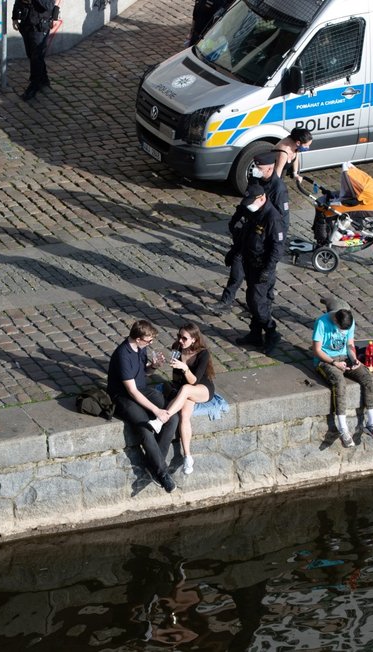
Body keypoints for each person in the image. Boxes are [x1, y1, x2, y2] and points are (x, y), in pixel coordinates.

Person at [210, 152, 290, 316]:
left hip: (264, 239)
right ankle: (226, 302)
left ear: (269, 169)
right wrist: (235, 221)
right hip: (248, 234)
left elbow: (282, 220)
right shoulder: (255, 179)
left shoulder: (278, 189)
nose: (255, 170)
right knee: (237, 268)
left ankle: (264, 306)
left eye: (259, 167)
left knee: (265, 276)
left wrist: (272, 245)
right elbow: (245, 202)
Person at [107, 320, 179, 492]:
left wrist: (153, 366)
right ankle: (162, 473)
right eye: (148, 341)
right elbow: (131, 391)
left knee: (172, 416)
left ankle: (152, 464)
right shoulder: (122, 355)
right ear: (138, 339)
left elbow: (142, 373)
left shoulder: (141, 348)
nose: (150, 343)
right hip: (123, 396)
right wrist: (156, 410)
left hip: (142, 389)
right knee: (145, 426)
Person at [311, 296, 373, 448]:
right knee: (339, 382)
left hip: (344, 357)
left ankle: (371, 424)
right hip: (326, 360)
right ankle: (342, 428)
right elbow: (317, 350)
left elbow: (350, 344)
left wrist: (354, 358)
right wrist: (334, 363)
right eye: (341, 330)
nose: (343, 333)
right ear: (335, 321)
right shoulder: (322, 322)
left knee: (368, 378)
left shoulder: (349, 321)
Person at [151, 323, 215, 475]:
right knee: (184, 415)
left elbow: (194, 381)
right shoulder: (178, 348)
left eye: (184, 338)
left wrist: (184, 367)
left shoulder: (203, 354)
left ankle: (161, 419)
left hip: (202, 388)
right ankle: (188, 457)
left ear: (194, 339)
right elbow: (177, 379)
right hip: (185, 389)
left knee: (186, 389)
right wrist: (161, 363)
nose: (180, 340)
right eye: (179, 336)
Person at [235, 181, 285, 355]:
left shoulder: (273, 218)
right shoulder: (255, 213)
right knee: (252, 300)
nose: (249, 205)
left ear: (262, 198)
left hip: (263, 268)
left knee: (257, 302)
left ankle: (271, 332)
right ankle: (255, 334)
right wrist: (235, 251)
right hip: (250, 263)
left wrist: (267, 270)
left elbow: (277, 248)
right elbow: (246, 235)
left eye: (251, 201)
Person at [12, 0, 60, 100]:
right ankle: (43, 79)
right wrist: (15, 17)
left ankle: (34, 85)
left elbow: (49, 5)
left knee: (36, 56)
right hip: (26, 23)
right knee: (31, 54)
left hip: (40, 25)